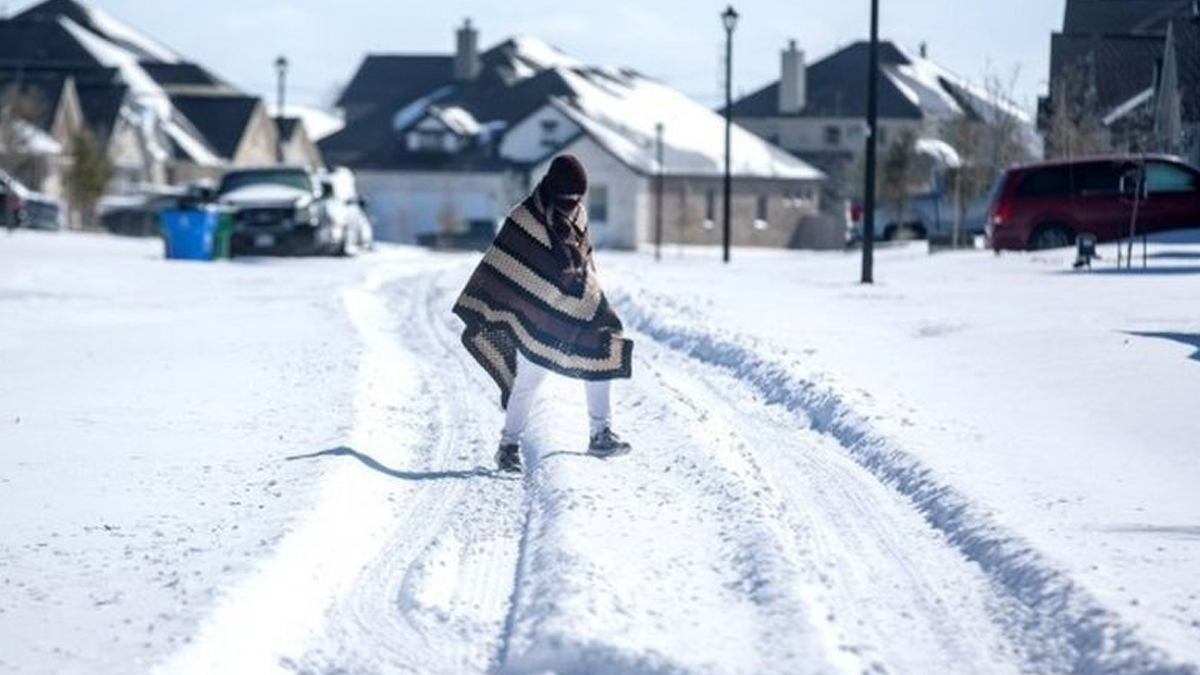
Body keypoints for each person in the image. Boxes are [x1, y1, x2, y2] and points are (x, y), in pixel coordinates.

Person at [452, 155, 633, 473]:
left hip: (579, 308)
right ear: (554, 189)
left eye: (579, 197)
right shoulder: (524, 217)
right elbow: (505, 265)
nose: (573, 202)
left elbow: (585, 262)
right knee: (529, 382)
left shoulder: (578, 213)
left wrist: (590, 296)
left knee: (602, 352)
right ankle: (508, 446)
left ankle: (600, 433)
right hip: (537, 314)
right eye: (569, 196)